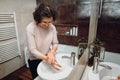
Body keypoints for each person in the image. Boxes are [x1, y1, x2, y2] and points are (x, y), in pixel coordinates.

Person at [26, 3, 59, 79]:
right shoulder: (30, 28)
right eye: (44, 22)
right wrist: (47, 58)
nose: (47, 25)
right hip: (34, 59)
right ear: (37, 19)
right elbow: (33, 50)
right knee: (38, 78)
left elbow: (55, 43)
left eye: (50, 22)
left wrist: (52, 52)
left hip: (48, 55)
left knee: (49, 76)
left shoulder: (52, 27)